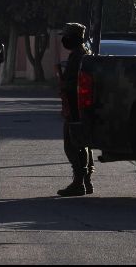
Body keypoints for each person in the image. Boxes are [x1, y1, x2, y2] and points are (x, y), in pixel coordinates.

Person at [56, 22, 95, 197]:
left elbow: (75, 83)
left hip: (75, 106)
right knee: (82, 143)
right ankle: (86, 181)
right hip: (79, 106)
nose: (64, 40)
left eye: (66, 37)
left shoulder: (78, 56)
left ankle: (79, 182)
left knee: (72, 145)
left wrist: (63, 84)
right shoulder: (84, 53)